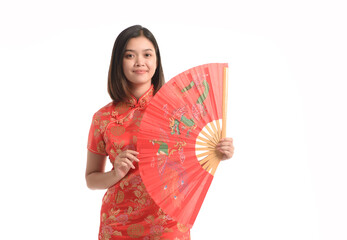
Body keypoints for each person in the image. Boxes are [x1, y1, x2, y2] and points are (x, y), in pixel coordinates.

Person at [85, 25, 235, 240]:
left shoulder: (180, 109)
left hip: (168, 223)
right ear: (118, 61)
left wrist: (217, 152)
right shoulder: (103, 118)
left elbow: (190, 160)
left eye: (147, 54)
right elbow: (91, 179)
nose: (140, 62)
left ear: (157, 60)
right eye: (130, 55)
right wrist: (115, 174)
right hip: (118, 225)